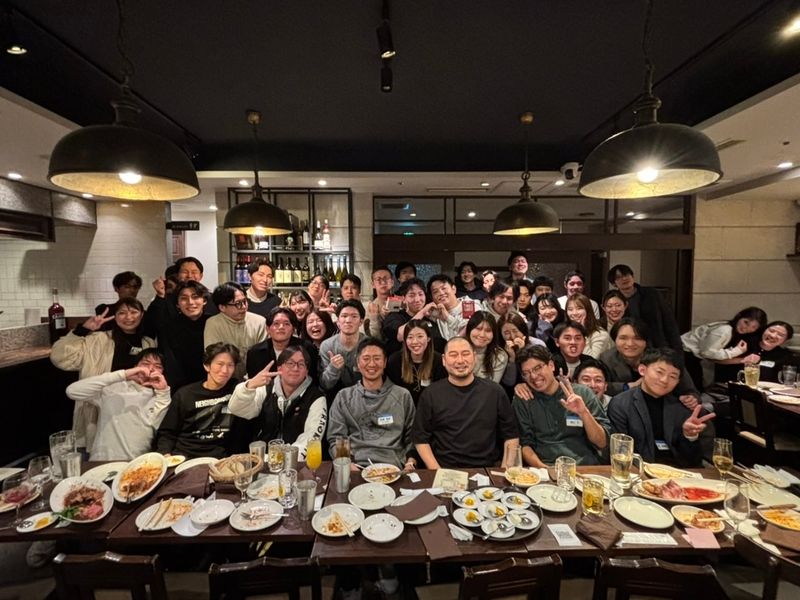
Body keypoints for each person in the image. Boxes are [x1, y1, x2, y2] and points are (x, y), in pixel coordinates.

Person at [51, 298, 156, 450]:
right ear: (115, 316)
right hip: (100, 407)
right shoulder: (98, 339)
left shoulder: (148, 342)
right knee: (100, 449)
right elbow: (60, 358)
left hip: (133, 408)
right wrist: (82, 330)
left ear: (142, 315)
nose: (128, 317)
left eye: (134, 312)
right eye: (122, 313)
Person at [413, 337, 519, 469]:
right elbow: (420, 439)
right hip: (445, 469)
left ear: (474, 357)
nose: (460, 360)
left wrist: (505, 470)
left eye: (465, 354)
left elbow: (511, 435)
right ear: (444, 360)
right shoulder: (430, 394)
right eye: (453, 355)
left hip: (487, 468)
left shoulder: (495, 391)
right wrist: (437, 471)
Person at [607, 348, 715, 467]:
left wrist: (690, 436)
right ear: (642, 370)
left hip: (677, 471)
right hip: (639, 469)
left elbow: (693, 462)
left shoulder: (682, 406)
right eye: (659, 372)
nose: (664, 380)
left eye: (672, 376)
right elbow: (620, 452)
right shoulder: (621, 404)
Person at [326, 338, 417, 469]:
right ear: (358, 363)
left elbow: (413, 436)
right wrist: (347, 464)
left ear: (385, 362)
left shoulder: (402, 395)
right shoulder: (343, 397)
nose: (372, 364)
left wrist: (411, 462)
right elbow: (336, 438)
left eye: (377, 358)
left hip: (394, 467)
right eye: (366, 358)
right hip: (356, 466)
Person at [65, 349, 171, 461]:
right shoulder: (113, 388)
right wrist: (124, 374)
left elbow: (158, 426)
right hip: (100, 461)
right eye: (145, 363)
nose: (151, 369)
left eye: (158, 366)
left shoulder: (160, 398)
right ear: (135, 366)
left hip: (136, 464)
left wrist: (163, 391)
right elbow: (72, 391)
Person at [513, 346, 610, 466]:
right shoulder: (524, 398)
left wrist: (583, 413)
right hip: (545, 467)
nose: (533, 376)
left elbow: (602, 442)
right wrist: (544, 469)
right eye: (526, 373)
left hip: (584, 466)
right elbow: (525, 444)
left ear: (551, 365)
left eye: (537, 368)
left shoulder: (582, 393)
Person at [229, 345, 326, 460]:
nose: (295, 368)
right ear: (279, 368)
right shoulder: (265, 389)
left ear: (306, 371)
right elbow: (237, 409)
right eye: (290, 363)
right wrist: (250, 385)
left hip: (295, 462)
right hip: (261, 459)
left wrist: (280, 459)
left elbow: (311, 440)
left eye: (301, 364)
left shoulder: (316, 398)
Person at [155, 343, 241, 458]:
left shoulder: (238, 390)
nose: (225, 370)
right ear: (207, 366)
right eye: (220, 364)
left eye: (230, 365)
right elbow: (167, 432)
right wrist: (165, 454)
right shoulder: (185, 394)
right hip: (184, 456)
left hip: (220, 459)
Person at [600, 318, 700, 404]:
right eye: (623, 338)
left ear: (646, 341)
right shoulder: (607, 358)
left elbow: (692, 392)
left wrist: (691, 399)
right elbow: (602, 386)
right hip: (624, 408)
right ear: (615, 340)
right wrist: (628, 386)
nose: (630, 343)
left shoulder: (665, 358)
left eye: (637, 338)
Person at [681, 306, 767, 390]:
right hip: (684, 354)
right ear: (739, 317)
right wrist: (736, 351)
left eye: (753, 327)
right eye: (746, 322)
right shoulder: (725, 330)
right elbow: (707, 353)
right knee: (692, 390)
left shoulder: (735, 332)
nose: (746, 328)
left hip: (690, 356)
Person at [607, 264, 682, 353]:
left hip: (657, 345)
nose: (624, 278)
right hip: (631, 347)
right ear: (614, 284)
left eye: (626, 275)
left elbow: (669, 321)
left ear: (632, 276)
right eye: (619, 277)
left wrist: (677, 349)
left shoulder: (652, 294)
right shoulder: (614, 302)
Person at [152, 280, 210, 390]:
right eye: (184, 298)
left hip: (213, 382)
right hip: (180, 387)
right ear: (177, 304)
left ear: (204, 300)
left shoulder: (213, 322)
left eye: (195, 297)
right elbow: (169, 362)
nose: (190, 302)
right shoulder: (168, 327)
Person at [204, 282, 266, 379]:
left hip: (254, 379)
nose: (244, 307)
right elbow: (214, 357)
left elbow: (262, 357)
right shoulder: (213, 324)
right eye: (238, 304)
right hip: (224, 379)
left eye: (245, 301)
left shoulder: (259, 322)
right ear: (222, 307)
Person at [247, 307, 319, 386]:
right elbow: (253, 382)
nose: (281, 327)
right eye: (276, 323)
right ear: (268, 329)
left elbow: (313, 380)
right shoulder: (255, 352)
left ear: (293, 329)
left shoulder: (307, 348)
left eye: (286, 324)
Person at [386, 320, 446, 404]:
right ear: (405, 340)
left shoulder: (438, 361)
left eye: (420, 336)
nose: (415, 342)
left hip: (431, 406)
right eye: (410, 337)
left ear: (428, 338)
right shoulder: (395, 361)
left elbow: (440, 393)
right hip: (402, 406)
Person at [715, 321, 797, 383]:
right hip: (726, 389)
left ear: (785, 340)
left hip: (761, 395)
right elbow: (716, 359)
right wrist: (741, 360)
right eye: (771, 331)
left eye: (781, 335)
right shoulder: (744, 343)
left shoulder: (785, 356)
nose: (773, 335)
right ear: (764, 330)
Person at [382, 277, 445, 356]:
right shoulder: (395, 316)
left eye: (421, 294)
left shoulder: (430, 319)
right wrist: (423, 312)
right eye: (412, 295)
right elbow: (401, 335)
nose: (417, 299)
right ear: (404, 298)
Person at [319, 300, 367, 397]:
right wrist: (333, 368)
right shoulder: (327, 346)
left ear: (361, 322)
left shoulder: (369, 345)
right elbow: (325, 385)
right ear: (338, 322)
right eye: (344, 316)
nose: (348, 320)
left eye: (354, 316)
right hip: (335, 396)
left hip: (364, 395)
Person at [466, 312, 510, 384]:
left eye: (488, 331)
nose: (482, 335)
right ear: (469, 329)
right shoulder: (457, 348)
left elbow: (491, 387)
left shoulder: (500, 356)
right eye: (478, 329)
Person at [566, 293, 613, 358]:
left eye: (579, 308)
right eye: (570, 309)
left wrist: (581, 334)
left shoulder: (600, 334)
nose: (574, 313)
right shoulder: (566, 332)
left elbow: (592, 359)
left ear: (588, 310)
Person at [427, 274, 468, 341]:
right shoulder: (435, 314)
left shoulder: (469, 305)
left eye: (443, 288)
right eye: (435, 292)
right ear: (432, 298)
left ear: (454, 289)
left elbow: (471, 330)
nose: (441, 293)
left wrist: (447, 317)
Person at [365, 266, 394, 341]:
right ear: (373, 284)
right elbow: (372, 337)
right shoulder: (370, 307)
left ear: (392, 282)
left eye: (386, 279)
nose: (383, 282)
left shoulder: (401, 302)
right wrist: (375, 318)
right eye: (378, 279)